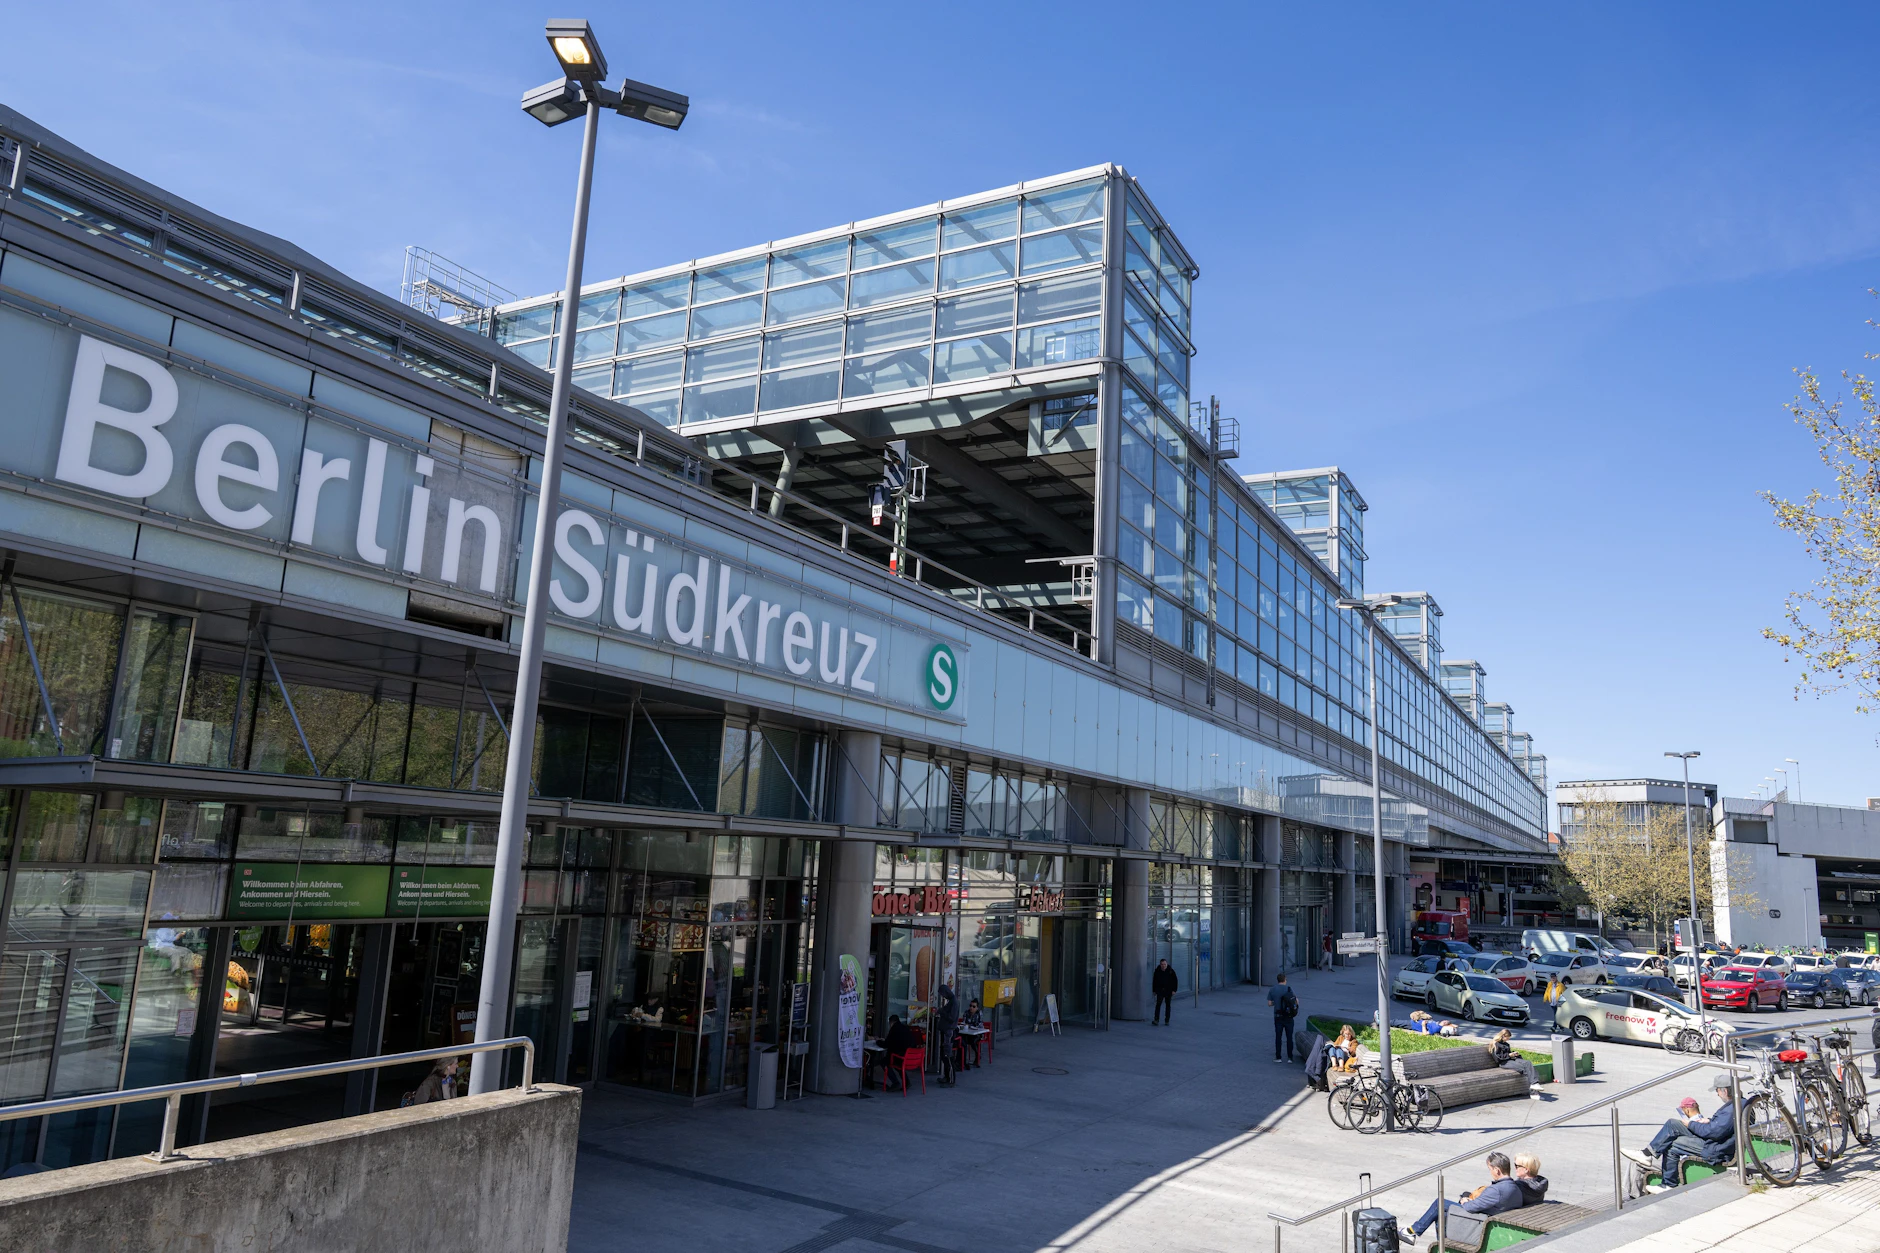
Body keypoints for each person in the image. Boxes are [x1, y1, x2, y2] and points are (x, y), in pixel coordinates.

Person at [1621, 1073, 1737, 1188]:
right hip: (1718, 1143)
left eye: (1717, 1091)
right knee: (1673, 1124)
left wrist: (1691, 1124)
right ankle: (1647, 1155)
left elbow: (1713, 1132)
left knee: (1673, 1143)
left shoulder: (1730, 1109)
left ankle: (1666, 1180)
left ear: (1724, 1091)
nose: (1717, 1094)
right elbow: (1722, 1127)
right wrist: (1710, 1121)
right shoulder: (1739, 1105)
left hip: (1715, 1148)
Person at [1402, 1152, 1523, 1239]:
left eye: (1489, 1169)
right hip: (1494, 1221)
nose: (1490, 1172)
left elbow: (1470, 1208)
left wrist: (1465, 1201)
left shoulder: (1497, 1190)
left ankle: (1413, 1231)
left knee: (1440, 1203)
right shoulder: (1515, 1187)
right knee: (1442, 1212)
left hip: (1481, 1225)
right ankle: (1433, 1240)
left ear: (1497, 1170)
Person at [1492, 1028, 1542, 1100]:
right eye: (1507, 1038)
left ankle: (1534, 1084)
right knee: (1526, 1070)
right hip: (1504, 1063)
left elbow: (1508, 1053)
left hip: (1510, 1060)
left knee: (1528, 1063)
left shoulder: (1506, 1044)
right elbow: (1498, 1058)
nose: (1508, 1039)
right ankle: (1533, 1092)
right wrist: (1509, 1055)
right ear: (1503, 1036)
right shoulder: (1495, 1044)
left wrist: (1514, 1054)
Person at [1268, 973, 1300, 1062]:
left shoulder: (1273, 989)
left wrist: (1277, 1003)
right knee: (1289, 1037)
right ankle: (1290, 1057)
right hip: (1288, 1016)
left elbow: (1269, 1003)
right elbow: (1296, 1001)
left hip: (1278, 1016)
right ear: (1284, 979)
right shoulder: (1289, 989)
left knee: (1278, 1037)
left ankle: (1278, 1057)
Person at [882, 1014, 916, 1091]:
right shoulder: (906, 1028)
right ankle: (907, 1082)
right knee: (899, 1065)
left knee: (884, 1062)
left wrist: (877, 1041)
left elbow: (886, 1044)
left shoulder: (894, 1029)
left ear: (891, 1022)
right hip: (910, 1059)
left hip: (900, 1057)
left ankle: (895, 1082)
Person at [935, 982, 959, 1083]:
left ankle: (951, 1080)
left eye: (942, 994)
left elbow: (952, 1017)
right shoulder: (951, 1001)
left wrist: (941, 1012)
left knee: (948, 1055)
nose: (942, 996)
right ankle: (946, 1076)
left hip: (948, 1032)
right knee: (944, 1055)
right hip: (945, 1030)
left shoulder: (954, 1002)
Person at [1152, 958, 1178, 1025]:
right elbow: (1154, 981)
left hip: (1168, 991)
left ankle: (1167, 1020)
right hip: (1160, 991)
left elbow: (1175, 981)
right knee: (1158, 1004)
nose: (1163, 965)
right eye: (1162, 964)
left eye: (1164, 964)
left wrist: (1174, 990)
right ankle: (1156, 1019)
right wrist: (1154, 990)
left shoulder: (1171, 971)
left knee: (1168, 1005)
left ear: (1166, 964)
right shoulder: (1157, 971)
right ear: (1160, 965)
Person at [961, 998, 985, 1068]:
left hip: (977, 1033)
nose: (971, 1008)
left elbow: (980, 1024)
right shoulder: (966, 1012)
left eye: (974, 1006)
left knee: (973, 1041)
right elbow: (964, 1022)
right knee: (963, 1041)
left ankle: (977, 1057)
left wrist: (972, 1026)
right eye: (970, 1006)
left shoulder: (979, 1013)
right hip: (967, 1033)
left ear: (977, 1008)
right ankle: (963, 1061)